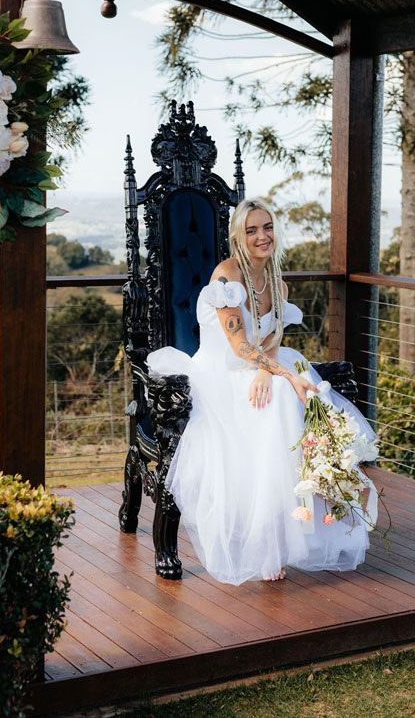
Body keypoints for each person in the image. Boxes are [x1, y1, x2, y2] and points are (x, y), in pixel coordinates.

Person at [147, 198, 379, 585]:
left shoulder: (276, 279)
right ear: (238, 236)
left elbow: (274, 335)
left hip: (260, 365)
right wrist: (279, 376)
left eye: (267, 227)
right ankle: (265, 539)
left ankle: (327, 499)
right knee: (283, 399)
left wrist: (271, 371)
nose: (262, 236)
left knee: (311, 392)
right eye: (252, 230)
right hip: (221, 372)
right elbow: (239, 348)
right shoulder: (226, 278)